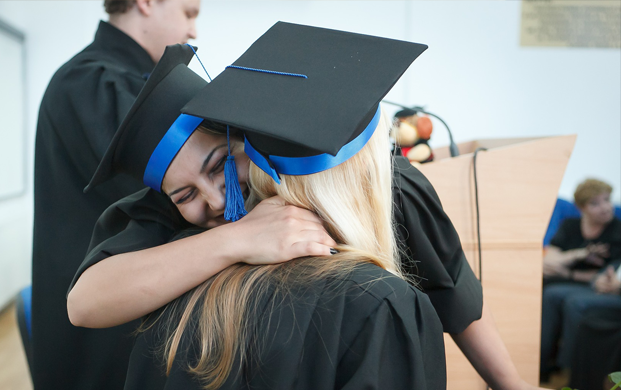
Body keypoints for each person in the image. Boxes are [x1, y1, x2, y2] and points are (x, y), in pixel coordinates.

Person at [69, 22, 541, 390]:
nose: (214, 200)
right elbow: (86, 303)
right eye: (185, 194)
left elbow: (453, 287)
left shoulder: (380, 182)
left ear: (244, 136)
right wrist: (236, 239)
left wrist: (510, 382)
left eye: (218, 166)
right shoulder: (169, 213)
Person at [31, 1, 199, 388]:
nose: (194, 31)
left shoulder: (117, 81)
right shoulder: (92, 82)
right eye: (189, 13)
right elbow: (170, 194)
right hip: (101, 336)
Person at [540, 178, 621, 379]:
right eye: (595, 203)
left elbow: (605, 276)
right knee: (549, 294)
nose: (605, 207)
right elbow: (549, 261)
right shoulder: (570, 225)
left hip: (599, 288)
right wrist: (578, 255)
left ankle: (570, 369)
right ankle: (541, 363)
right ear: (581, 207)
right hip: (576, 283)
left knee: (573, 302)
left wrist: (567, 271)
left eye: (607, 200)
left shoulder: (617, 229)